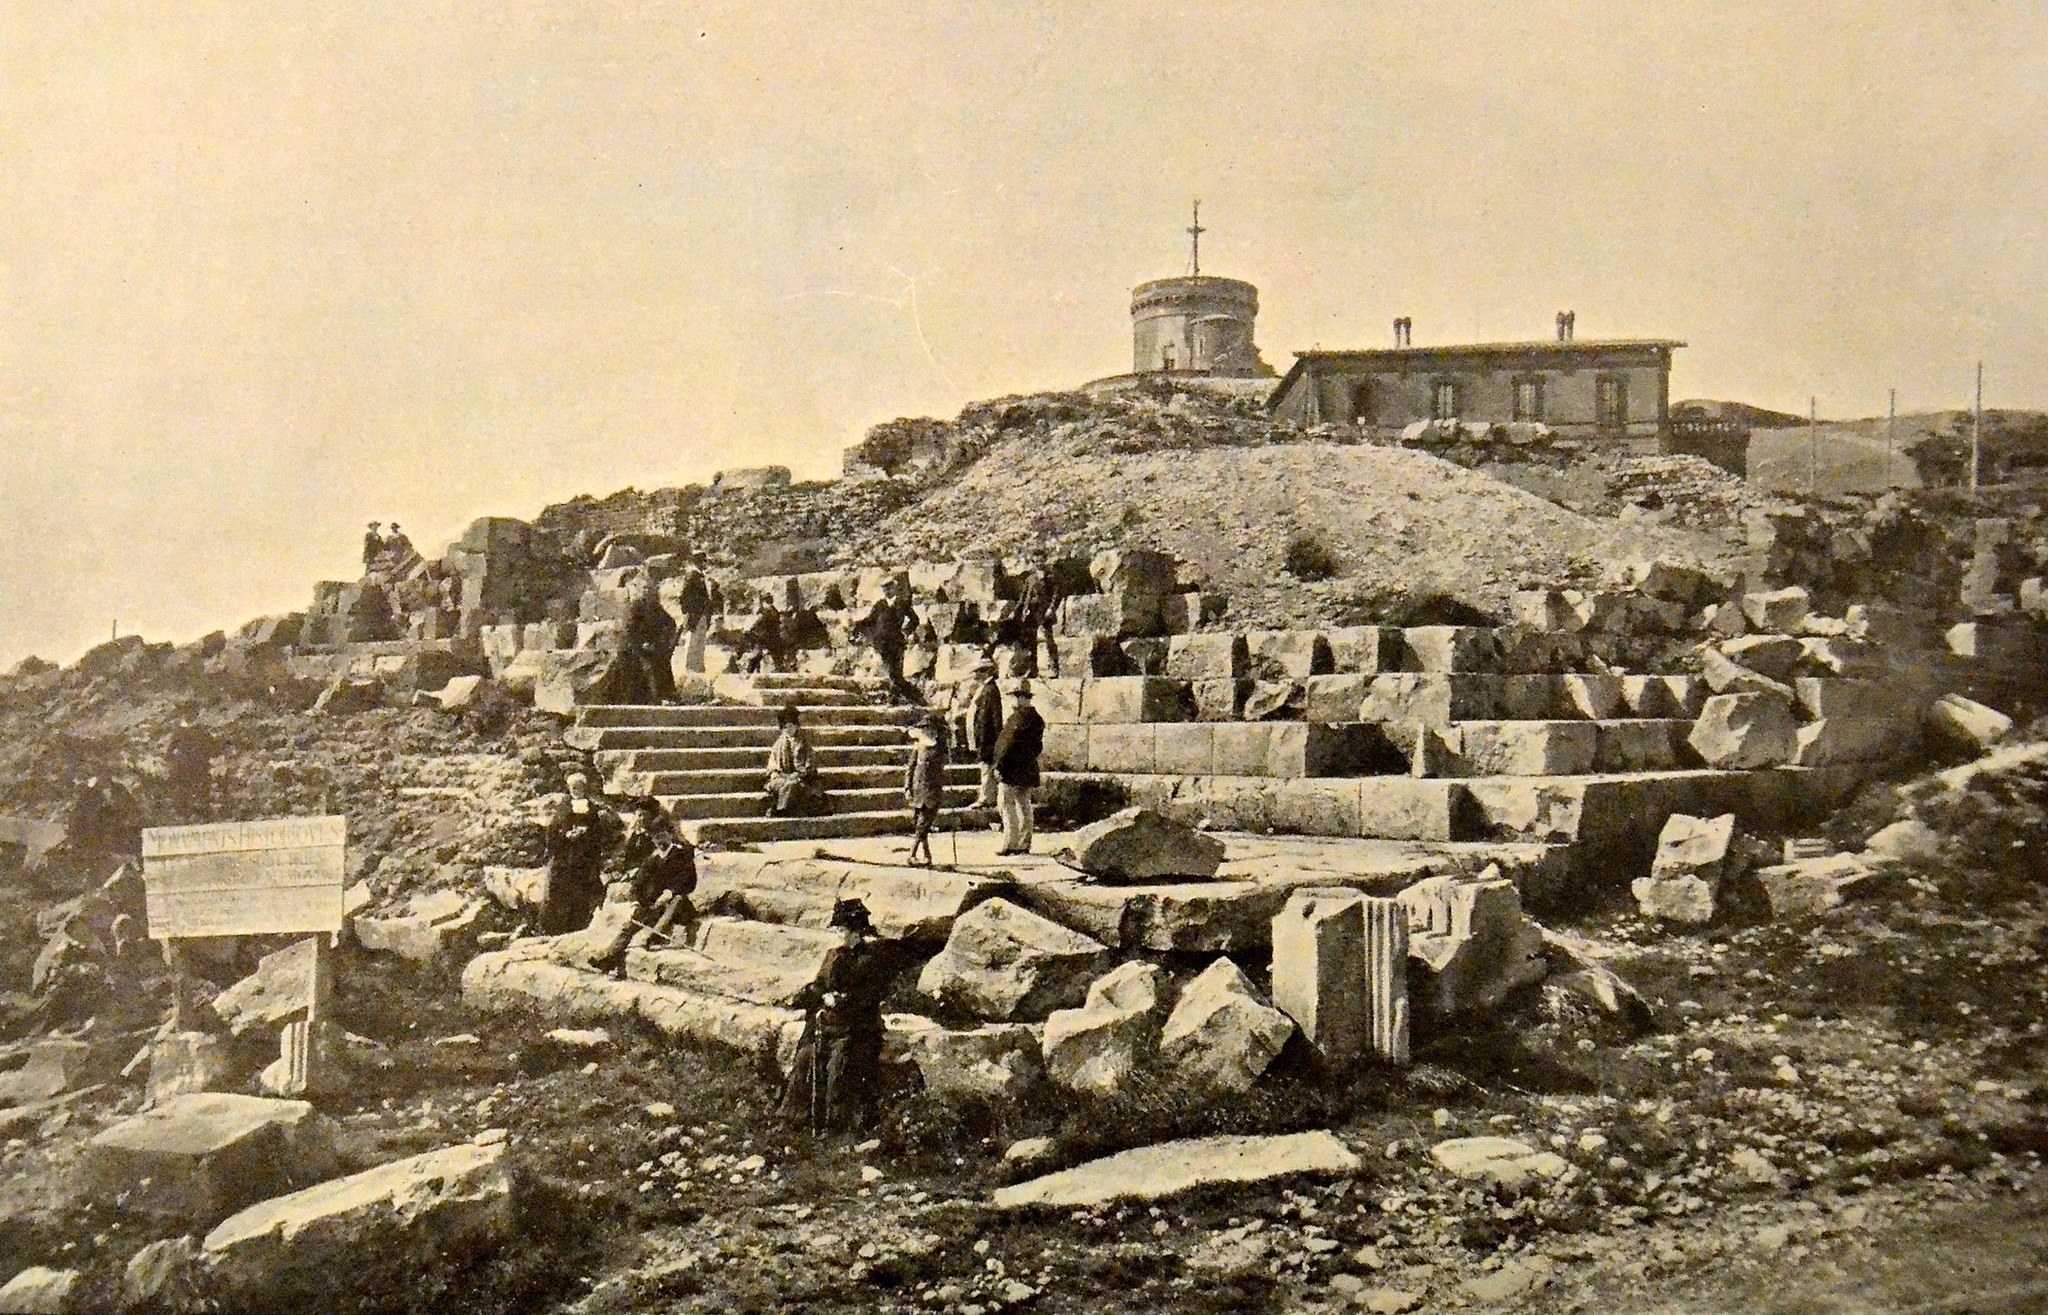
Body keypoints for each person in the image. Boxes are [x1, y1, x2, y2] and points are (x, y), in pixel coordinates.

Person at [779, 898, 895, 1135]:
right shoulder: (833, 956)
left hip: (857, 1029)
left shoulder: (871, 960)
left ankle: (835, 1127)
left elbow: (869, 997)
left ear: (857, 932)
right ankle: (792, 1118)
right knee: (803, 1059)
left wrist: (841, 1002)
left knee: (837, 1068)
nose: (840, 934)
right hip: (828, 1025)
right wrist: (809, 996)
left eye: (844, 929)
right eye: (839, 929)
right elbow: (820, 986)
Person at [590, 797, 698, 975]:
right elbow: (639, 882)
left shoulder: (681, 855)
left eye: (662, 835)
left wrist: (670, 892)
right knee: (630, 924)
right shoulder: (653, 859)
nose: (659, 840)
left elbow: (689, 879)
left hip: (675, 904)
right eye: (656, 837)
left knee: (677, 900)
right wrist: (637, 900)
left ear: (670, 835)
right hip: (653, 902)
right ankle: (608, 958)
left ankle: (651, 937)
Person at [540, 772, 619, 935]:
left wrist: (586, 832)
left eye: (579, 787)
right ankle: (557, 928)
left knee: (583, 892)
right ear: (569, 788)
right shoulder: (563, 806)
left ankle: (581, 925)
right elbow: (553, 830)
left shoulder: (592, 807)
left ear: (584, 787)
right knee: (561, 891)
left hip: (585, 856)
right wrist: (566, 835)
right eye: (573, 787)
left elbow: (599, 831)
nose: (576, 789)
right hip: (565, 856)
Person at [992, 679, 1045, 856]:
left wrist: (999, 766)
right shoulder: (1037, 719)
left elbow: (1007, 745)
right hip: (1027, 767)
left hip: (1011, 769)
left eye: (1016, 697)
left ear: (1024, 698)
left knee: (1005, 805)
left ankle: (1010, 843)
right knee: (1024, 804)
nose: (1013, 701)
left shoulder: (1018, 719)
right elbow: (1038, 747)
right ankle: (1024, 843)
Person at [861, 579, 921, 704]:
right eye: (884, 589)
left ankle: (902, 698)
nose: (887, 591)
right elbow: (870, 620)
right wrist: (858, 626)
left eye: (889, 588)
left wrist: (907, 631)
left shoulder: (902, 603)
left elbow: (914, 619)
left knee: (895, 672)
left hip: (897, 642)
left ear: (895, 588)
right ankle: (909, 697)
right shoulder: (879, 605)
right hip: (882, 644)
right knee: (892, 674)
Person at [622, 581, 679, 704]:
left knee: (662, 663)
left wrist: (661, 642)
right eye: (644, 588)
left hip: (653, 646)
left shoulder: (656, 607)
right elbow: (630, 628)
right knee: (644, 666)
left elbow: (670, 624)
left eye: (648, 588)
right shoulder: (636, 607)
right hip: (637, 647)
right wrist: (642, 643)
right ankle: (652, 698)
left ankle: (666, 696)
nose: (646, 591)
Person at [763, 704, 825, 817]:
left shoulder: (804, 744)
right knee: (780, 784)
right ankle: (782, 806)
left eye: (791, 726)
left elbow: (809, 765)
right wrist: (775, 774)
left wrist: (798, 774)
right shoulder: (778, 744)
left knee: (793, 785)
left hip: (801, 779)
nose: (788, 729)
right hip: (783, 777)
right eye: (785, 727)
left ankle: (779, 809)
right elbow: (773, 764)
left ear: (797, 727)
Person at [903, 716, 948, 867]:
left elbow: (941, 769)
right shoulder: (918, 748)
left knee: (923, 824)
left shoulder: (939, 748)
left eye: (930, 728)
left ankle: (912, 854)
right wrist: (907, 788)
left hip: (933, 790)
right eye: (924, 728)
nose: (927, 731)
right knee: (919, 823)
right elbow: (910, 769)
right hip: (918, 789)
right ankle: (927, 855)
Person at [963, 658, 1003, 810]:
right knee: (984, 767)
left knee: (987, 768)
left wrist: (996, 739)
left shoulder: (991, 690)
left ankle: (986, 797)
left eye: (978, 671)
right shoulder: (984, 689)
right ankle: (987, 796)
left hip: (988, 737)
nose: (975, 674)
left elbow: (995, 716)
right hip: (982, 736)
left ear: (986, 672)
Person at [163, 719, 221, 822]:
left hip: (198, 770)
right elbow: (169, 756)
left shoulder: (201, 737)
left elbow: (213, 751)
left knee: (199, 791)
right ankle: (186, 813)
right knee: (185, 792)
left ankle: (198, 812)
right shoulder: (178, 740)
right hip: (184, 772)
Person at [1018, 559, 1063, 677]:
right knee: (1030, 641)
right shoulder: (1030, 578)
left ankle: (1054, 667)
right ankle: (1032, 669)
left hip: (1044, 611)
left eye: (1040, 559)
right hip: (1031, 611)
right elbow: (1024, 595)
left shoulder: (1051, 577)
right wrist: (1020, 608)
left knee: (1049, 640)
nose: (1038, 563)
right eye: (1035, 560)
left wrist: (1051, 609)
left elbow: (1057, 594)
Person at [676, 558, 715, 674]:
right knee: (693, 641)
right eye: (703, 561)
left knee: (700, 642)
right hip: (695, 614)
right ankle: (690, 668)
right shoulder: (692, 575)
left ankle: (698, 668)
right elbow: (684, 596)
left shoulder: (701, 576)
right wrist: (688, 611)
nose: (705, 564)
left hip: (702, 614)